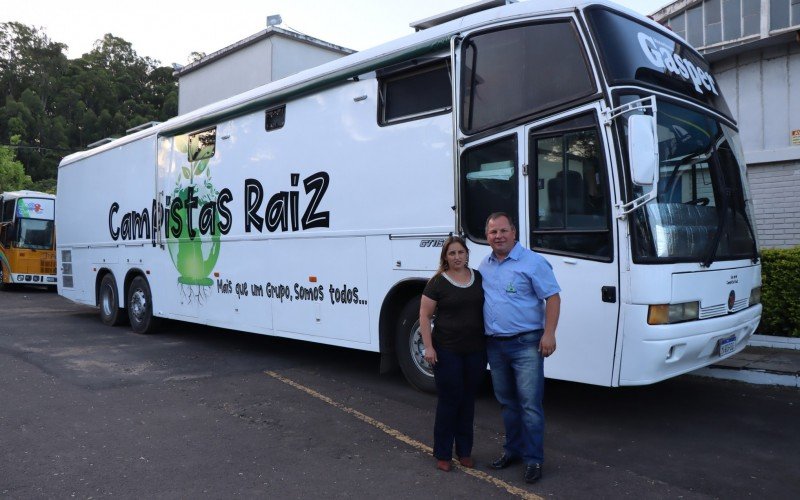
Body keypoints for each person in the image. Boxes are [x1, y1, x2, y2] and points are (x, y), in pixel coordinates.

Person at [478, 212, 561, 484]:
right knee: (507, 404)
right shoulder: (485, 265)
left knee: (529, 405)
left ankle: (534, 459)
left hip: (526, 343)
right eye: (493, 232)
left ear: (514, 232)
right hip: (495, 345)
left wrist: (549, 334)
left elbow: (552, 297)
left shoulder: (533, 262)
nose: (498, 236)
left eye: (503, 231)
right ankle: (512, 450)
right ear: (487, 236)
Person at [419, 236, 487, 472]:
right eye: (452, 253)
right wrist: (428, 347)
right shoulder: (437, 282)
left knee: (468, 401)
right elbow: (425, 316)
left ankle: (465, 451)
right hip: (447, 351)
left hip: (476, 351)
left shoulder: (477, 277)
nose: (457, 257)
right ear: (445, 257)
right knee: (450, 401)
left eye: (460, 252)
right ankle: (443, 453)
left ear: (467, 254)